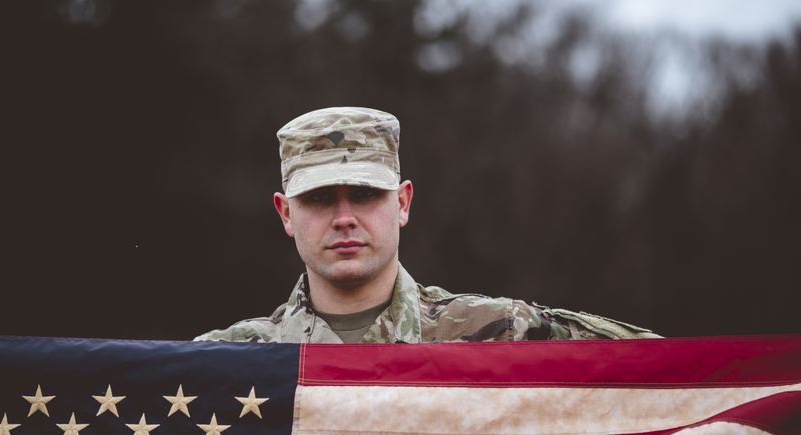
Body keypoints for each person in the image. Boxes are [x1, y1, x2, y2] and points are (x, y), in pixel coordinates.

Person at [195, 107, 659, 344]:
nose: (344, 218)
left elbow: (679, 379)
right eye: (318, 198)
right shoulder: (226, 362)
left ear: (402, 202)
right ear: (285, 214)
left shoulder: (501, 333)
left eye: (364, 193)